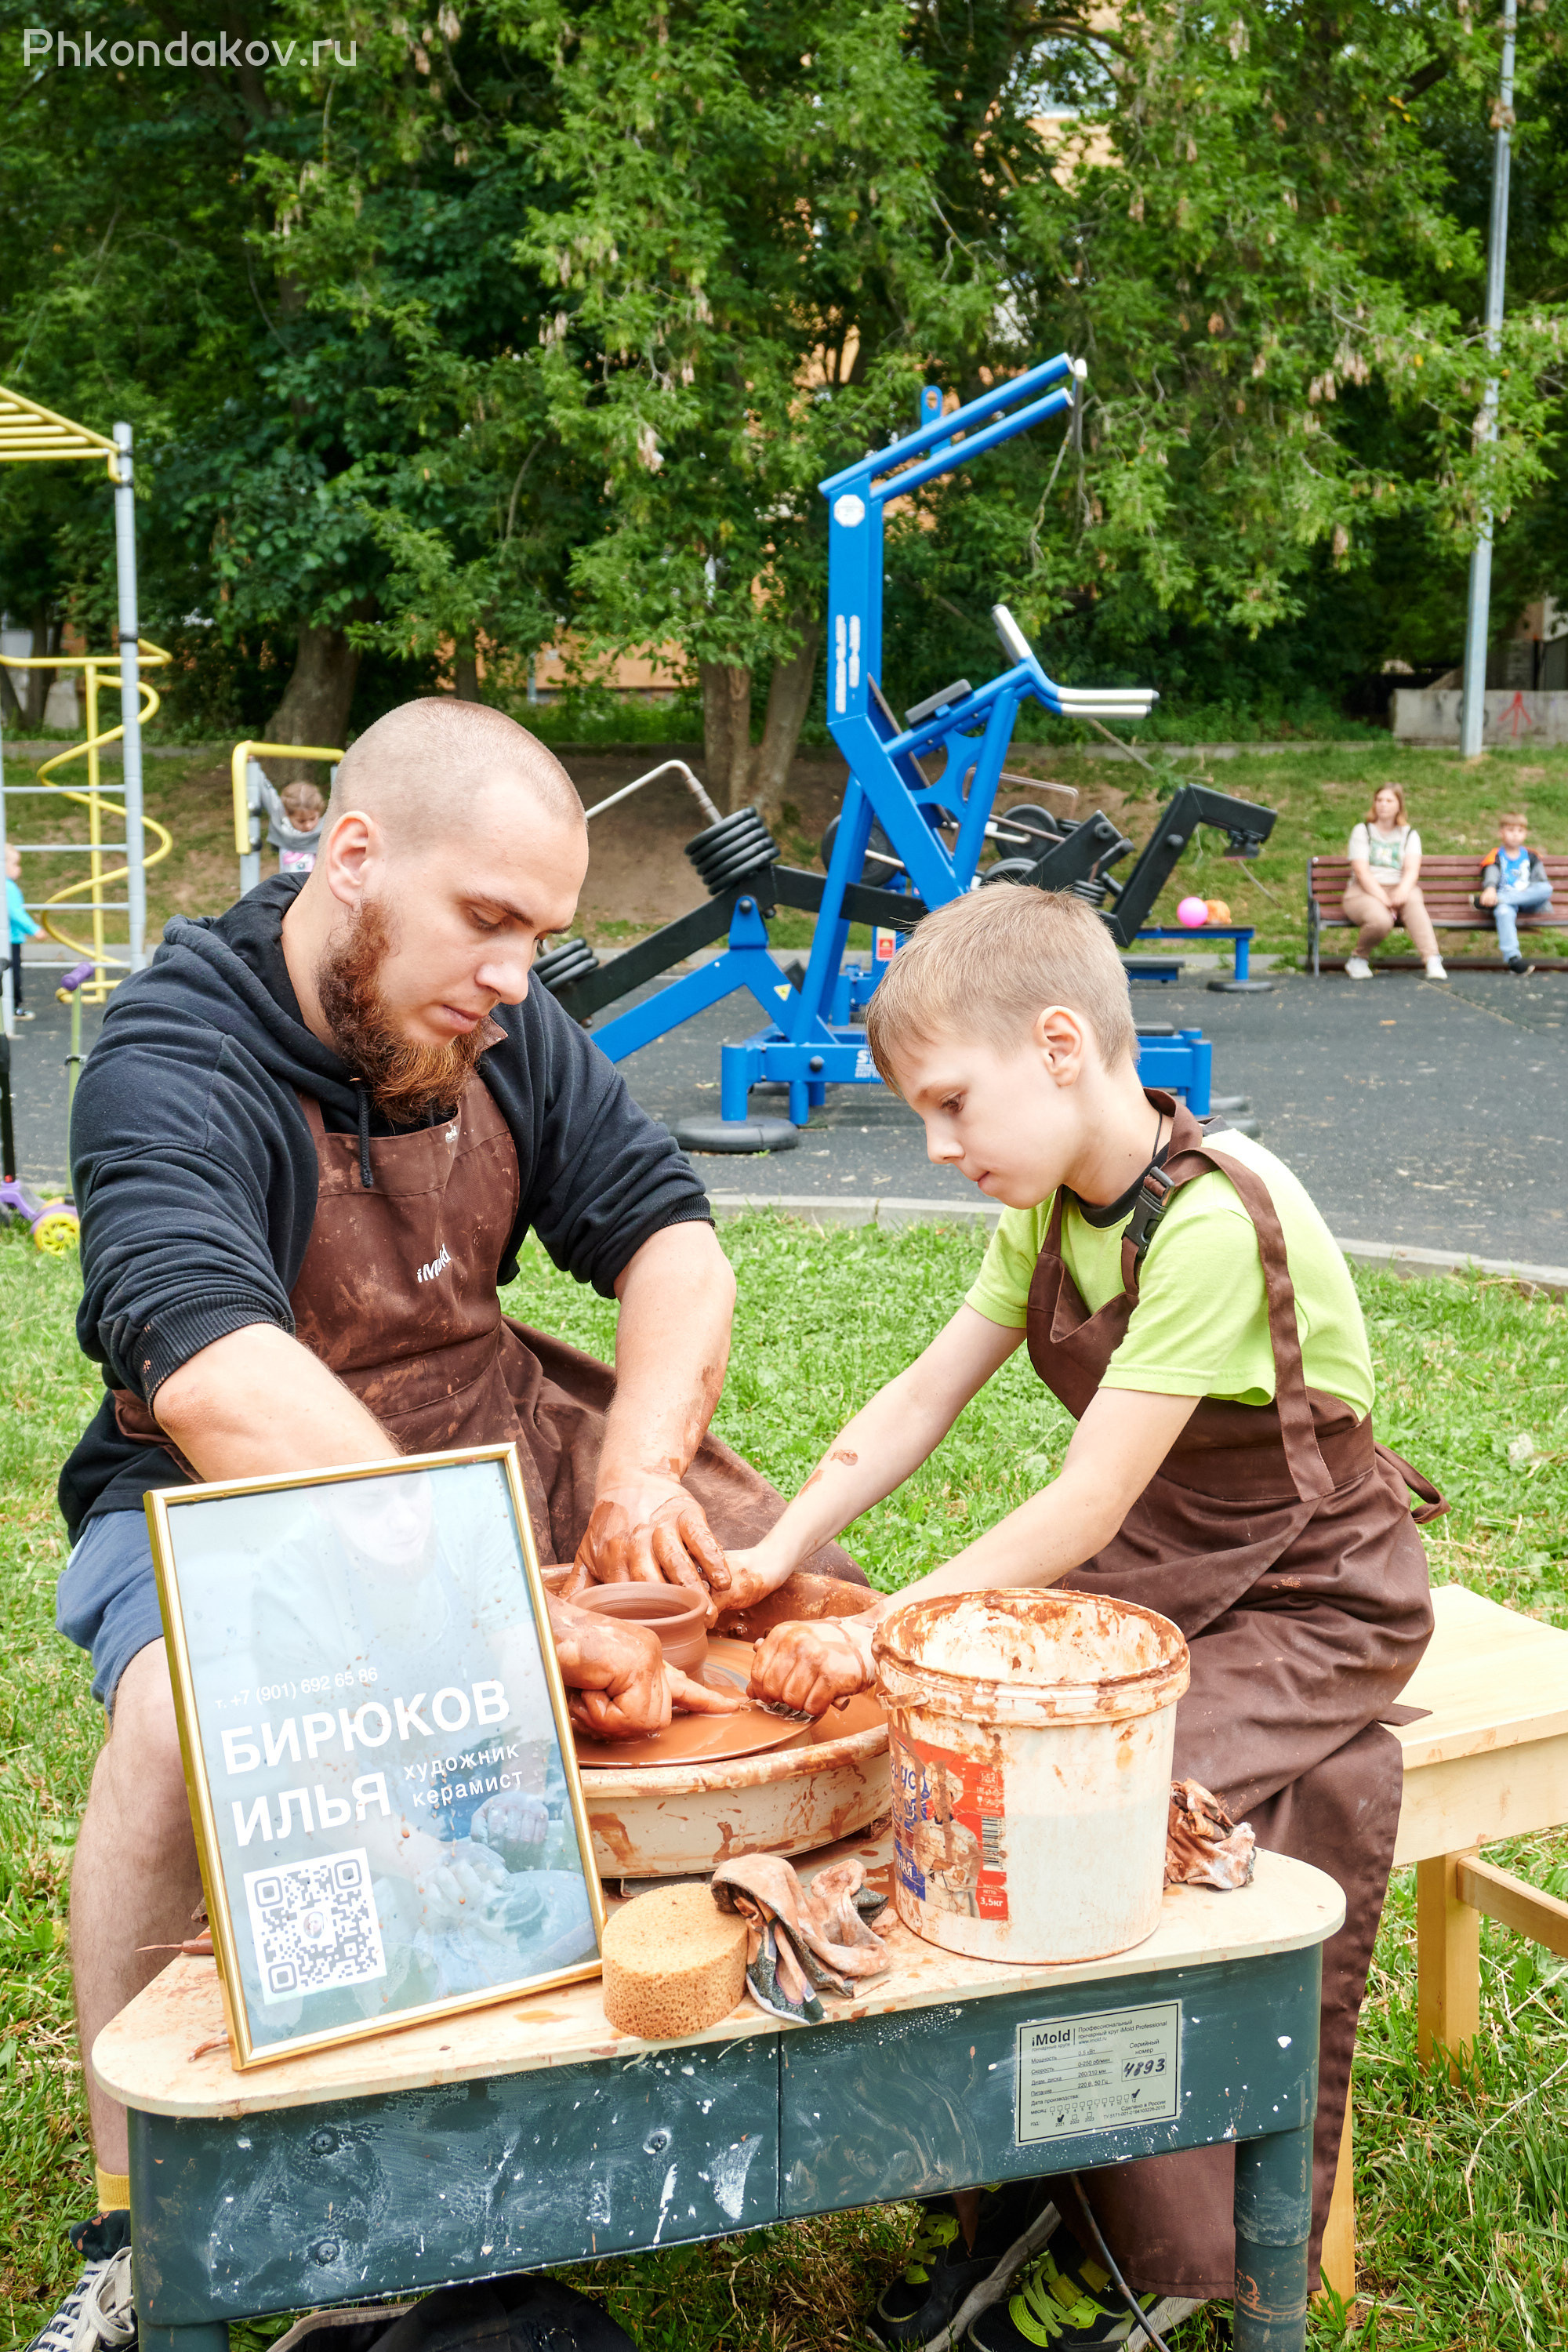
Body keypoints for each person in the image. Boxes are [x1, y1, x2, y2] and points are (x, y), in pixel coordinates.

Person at [35, 699, 861, 2352]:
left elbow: (674, 1249)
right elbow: (211, 1373)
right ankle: (145, 2225)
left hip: (489, 1432)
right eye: (487, 922)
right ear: (353, 859)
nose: (513, 976)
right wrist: (481, 1597)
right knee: (178, 1717)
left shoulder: (504, 1021)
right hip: (220, 1487)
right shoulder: (168, 1057)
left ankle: (772, 2065)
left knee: (796, 1623)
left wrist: (632, 1477)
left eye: (540, 936)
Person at [732, 887, 1438, 2351]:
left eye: (947, 1104)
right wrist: (783, 1544)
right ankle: (1018, 2174)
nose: (937, 1148)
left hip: (1318, 1603)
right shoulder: (1057, 1206)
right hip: (1167, 1593)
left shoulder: (1218, 1220)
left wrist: (892, 1626)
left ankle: (1152, 2253)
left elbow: (1089, 1502)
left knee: (1097, 1826)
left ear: (1061, 1045)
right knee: (955, 1810)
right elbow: (923, 1396)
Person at [1341, 783, 1446, 981]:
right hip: (1364, 891)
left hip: (1398, 886)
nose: (1383, 805)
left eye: (1389, 800)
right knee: (1381, 920)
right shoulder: (1363, 831)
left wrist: (1402, 891)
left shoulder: (1409, 834)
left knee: (1414, 901)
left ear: (1399, 805)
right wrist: (1384, 899)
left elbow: (1412, 869)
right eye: (1379, 800)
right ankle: (1358, 959)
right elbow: (1362, 872)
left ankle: (1432, 958)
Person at [1477, 811, 1552, 975]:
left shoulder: (1531, 856)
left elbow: (1541, 884)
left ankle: (1502, 899)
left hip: (1529, 902)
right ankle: (1513, 959)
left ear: (1525, 834)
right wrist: (1490, 889)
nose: (1515, 835)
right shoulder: (1496, 855)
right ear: (1501, 832)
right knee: (1503, 911)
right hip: (1509, 906)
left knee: (1547, 888)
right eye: (1511, 830)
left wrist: (1500, 898)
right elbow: (1491, 876)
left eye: (1520, 831)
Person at [7, 837, 40, 1019]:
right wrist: (34, 929)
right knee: (13, 976)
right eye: (15, 864)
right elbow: (15, 913)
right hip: (10, 940)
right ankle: (13, 1008)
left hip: (10, 938)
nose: (19, 868)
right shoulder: (8, 887)